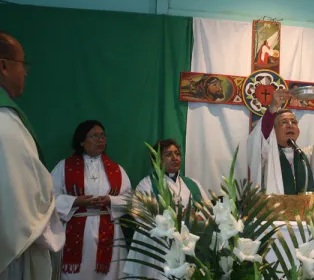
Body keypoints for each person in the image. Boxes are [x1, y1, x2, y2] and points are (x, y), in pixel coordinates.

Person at [0, 32, 65, 280]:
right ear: (3, 66)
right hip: (12, 253)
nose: (25, 72)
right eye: (23, 64)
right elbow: (26, 197)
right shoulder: (5, 123)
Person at [51, 120, 132, 279]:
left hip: (110, 233)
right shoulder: (64, 166)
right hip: (76, 233)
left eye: (102, 136)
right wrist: (75, 202)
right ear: (81, 141)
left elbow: (130, 200)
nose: (100, 139)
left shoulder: (116, 169)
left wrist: (110, 200)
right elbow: (49, 198)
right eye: (94, 136)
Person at [247, 89, 314, 213]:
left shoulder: (307, 156)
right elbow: (260, 139)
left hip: (306, 218)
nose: (290, 125)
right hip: (276, 218)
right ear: (274, 130)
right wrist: (272, 108)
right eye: (284, 122)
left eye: (294, 122)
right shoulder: (268, 155)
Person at [123, 138, 209, 279]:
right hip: (160, 246)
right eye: (168, 154)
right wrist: (173, 221)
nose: (175, 158)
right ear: (157, 160)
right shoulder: (146, 184)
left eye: (177, 153)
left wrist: (198, 217)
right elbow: (140, 215)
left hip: (190, 243)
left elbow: (207, 209)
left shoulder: (192, 184)